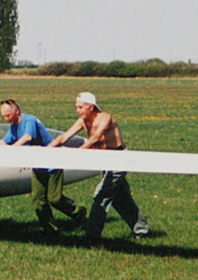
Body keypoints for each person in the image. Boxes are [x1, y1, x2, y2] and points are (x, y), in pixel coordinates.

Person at [48, 92, 153, 240]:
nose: (77, 110)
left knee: (101, 195)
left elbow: (95, 137)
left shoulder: (105, 118)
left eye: (80, 107)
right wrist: (46, 150)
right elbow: (63, 137)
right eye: (76, 107)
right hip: (104, 160)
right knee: (120, 197)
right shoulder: (83, 120)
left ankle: (92, 235)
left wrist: (76, 154)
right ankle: (143, 230)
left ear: (91, 107)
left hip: (118, 157)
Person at [0, 99, 85, 233]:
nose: (6, 118)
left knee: (54, 198)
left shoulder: (29, 120)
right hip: (37, 165)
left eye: (8, 115)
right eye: (3, 116)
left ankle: (79, 213)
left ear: (17, 111)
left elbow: (27, 137)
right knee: (38, 200)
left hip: (51, 162)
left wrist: (12, 150)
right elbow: (4, 142)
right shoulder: (13, 126)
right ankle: (51, 230)